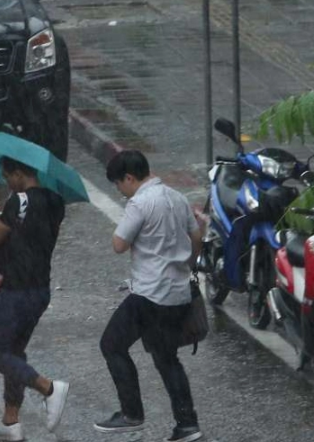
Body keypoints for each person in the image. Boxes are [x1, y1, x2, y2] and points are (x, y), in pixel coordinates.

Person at [96, 150, 203, 442]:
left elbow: (118, 244)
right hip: (178, 292)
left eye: (119, 185)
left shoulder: (140, 203)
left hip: (150, 294)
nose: (120, 192)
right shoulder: (176, 198)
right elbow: (196, 237)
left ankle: (131, 413)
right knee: (167, 358)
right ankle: (187, 425)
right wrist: (186, 264)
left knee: (112, 344)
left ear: (129, 178)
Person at [0, 156, 69, 442]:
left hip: (16, 290)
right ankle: (11, 422)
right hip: (40, 290)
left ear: (18, 173)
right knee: (13, 352)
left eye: (7, 176)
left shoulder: (19, 201)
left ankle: (48, 388)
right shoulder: (56, 201)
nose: (7, 182)